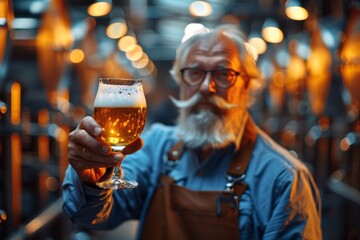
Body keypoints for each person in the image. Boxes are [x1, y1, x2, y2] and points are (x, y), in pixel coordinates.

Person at [62, 24, 322, 239]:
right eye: (194, 73)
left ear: (247, 85)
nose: (206, 86)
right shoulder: (156, 148)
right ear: (180, 82)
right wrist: (90, 179)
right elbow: (89, 216)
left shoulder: (284, 179)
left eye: (223, 73)